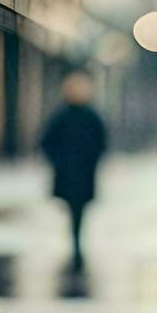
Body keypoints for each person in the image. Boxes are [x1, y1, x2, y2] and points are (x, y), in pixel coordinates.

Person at [41, 71, 107, 270]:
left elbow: (100, 143)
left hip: (78, 173)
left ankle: (76, 241)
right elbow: (47, 143)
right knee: (75, 209)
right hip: (74, 173)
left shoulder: (83, 116)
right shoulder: (68, 117)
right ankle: (76, 241)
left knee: (77, 209)